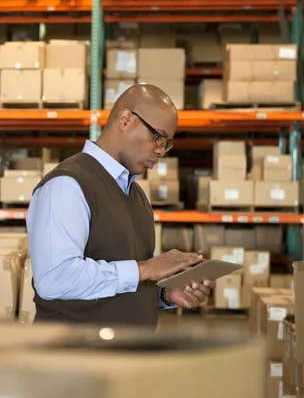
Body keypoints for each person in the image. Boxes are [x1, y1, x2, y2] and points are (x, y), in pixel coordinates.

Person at [26, 84, 215, 328]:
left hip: (125, 359)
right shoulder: (67, 185)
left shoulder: (137, 195)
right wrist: (146, 269)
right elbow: (55, 278)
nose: (160, 150)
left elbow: (122, 281)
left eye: (166, 143)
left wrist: (164, 294)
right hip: (74, 358)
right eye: (157, 136)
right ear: (125, 120)